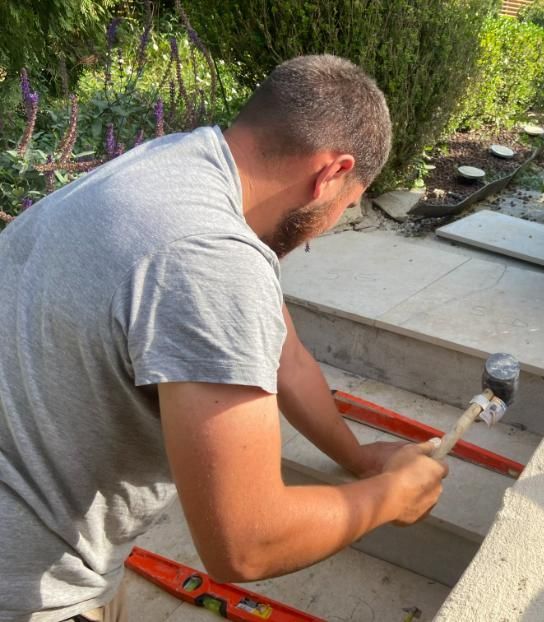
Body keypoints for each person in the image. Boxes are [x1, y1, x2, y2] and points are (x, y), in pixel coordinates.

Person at [0, 54, 448, 622]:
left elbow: (286, 356)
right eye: (348, 204)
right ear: (332, 173)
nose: (332, 225)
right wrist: (389, 497)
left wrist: (357, 457)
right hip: (27, 589)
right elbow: (248, 543)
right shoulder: (211, 261)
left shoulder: (181, 166)